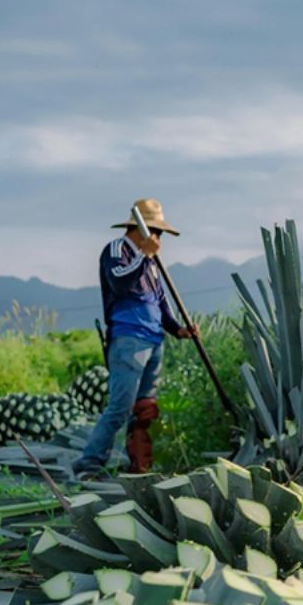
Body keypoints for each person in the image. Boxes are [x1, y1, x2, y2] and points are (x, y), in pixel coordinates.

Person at [73, 199, 196, 477]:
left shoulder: (151, 263)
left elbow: (160, 301)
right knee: (120, 406)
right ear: (140, 229)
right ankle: (90, 463)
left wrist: (178, 329)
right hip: (129, 339)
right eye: (155, 231)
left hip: (154, 340)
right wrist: (144, 256)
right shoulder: (118, 251)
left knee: (145, 410)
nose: (158, 238)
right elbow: (119, 282)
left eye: (160, 233)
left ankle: (140, 466)